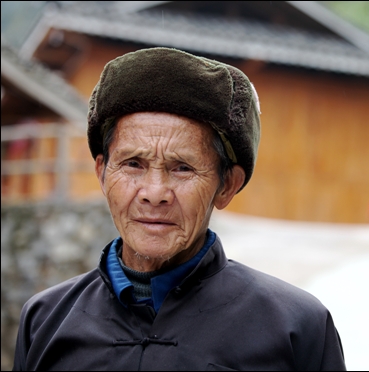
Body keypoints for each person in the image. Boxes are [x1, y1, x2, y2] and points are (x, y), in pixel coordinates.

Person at [12, 47, 346, 371]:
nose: (154, 193)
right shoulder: (45, 319)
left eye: (182, 168)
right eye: (132, 164)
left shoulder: (296, 328)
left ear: (226, 185)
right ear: (102, 173)